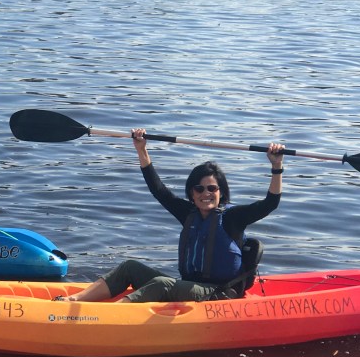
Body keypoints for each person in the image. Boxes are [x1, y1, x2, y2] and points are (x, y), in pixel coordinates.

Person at [58, 129, 285, 303]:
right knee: (130, 267)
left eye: (212, 189)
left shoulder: (233, 218)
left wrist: (276, 167)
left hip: (218, 295)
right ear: (191, 194)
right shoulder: (188, 214)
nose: (206, 193)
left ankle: (108, 316)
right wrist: (141, 149)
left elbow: (270, 204)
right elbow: (159, 191)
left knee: (161, 284)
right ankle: (75, 300)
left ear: (221, 192)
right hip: (189, 286)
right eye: (199, 189)